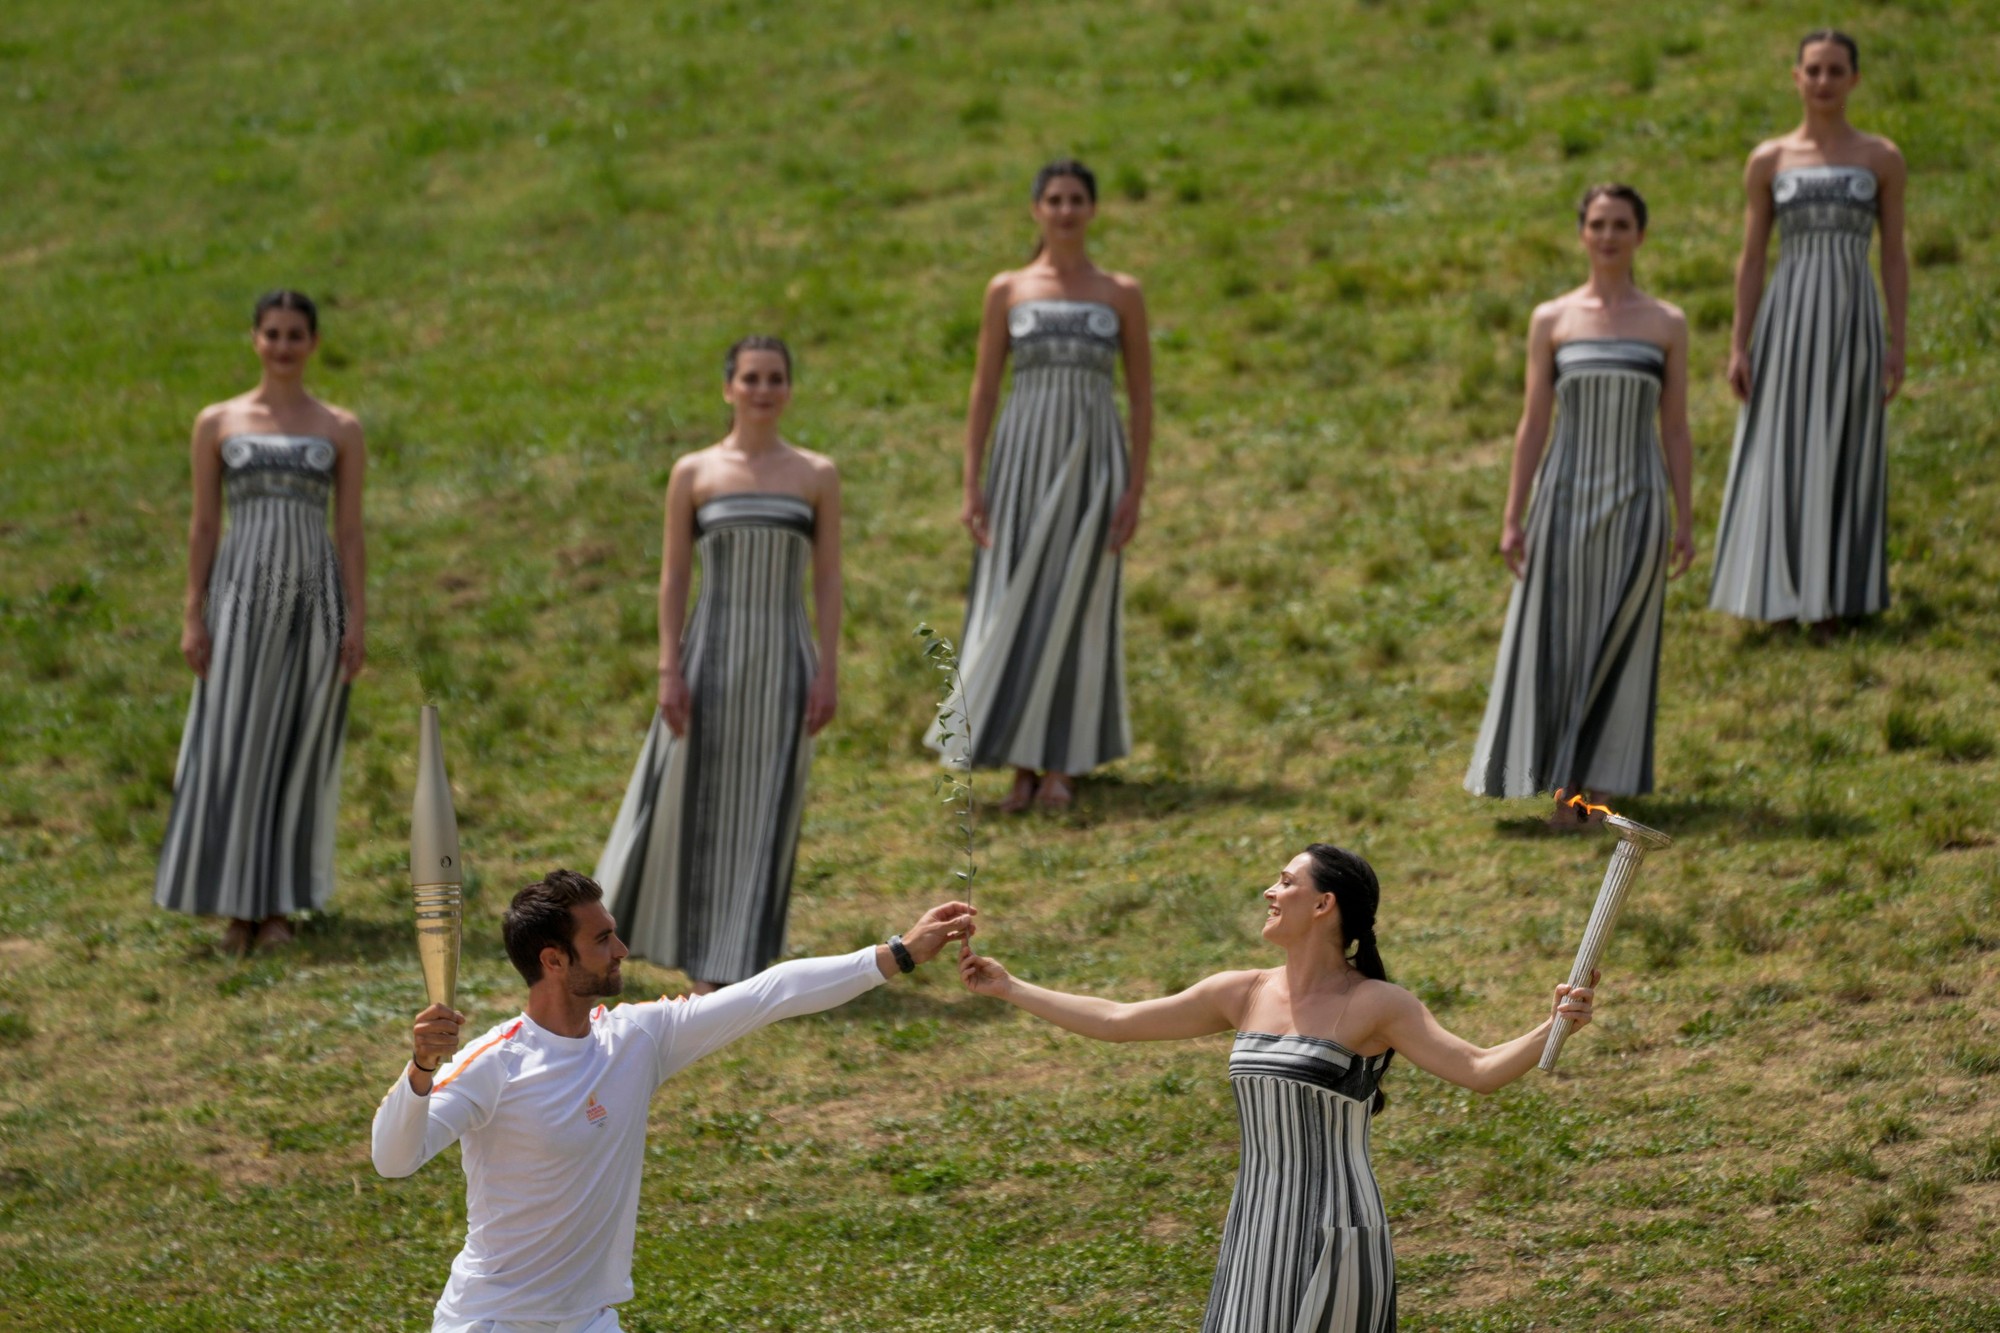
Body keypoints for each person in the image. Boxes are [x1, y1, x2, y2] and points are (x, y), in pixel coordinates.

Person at [958, 845, 1598, 1333]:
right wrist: (1011, 988)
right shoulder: (1243, 991)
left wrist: (1555, 1024)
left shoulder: (1377, 1003)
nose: (1271, 890)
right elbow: (1117, 1021)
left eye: (1287, 882)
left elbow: (1480, 1070)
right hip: (1255, 1227)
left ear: (1324, 905)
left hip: (1335, 1229)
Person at [373, 869, 976, 1333]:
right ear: (554, 961)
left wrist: (898, 954)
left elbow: (770, 993)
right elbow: (395, 1159)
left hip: (588, 1320)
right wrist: (423, 1068)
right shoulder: (493, 1064)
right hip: (494, 1322)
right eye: (603, 939)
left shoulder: (637, 1036)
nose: (622, 949)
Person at [594, 337, 839, 992]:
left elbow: (829, 580)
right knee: (693, 801)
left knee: (765, 804)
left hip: (785, 660)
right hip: (710, 656)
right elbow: (673, 576)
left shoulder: (816, 473)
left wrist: (828, 668)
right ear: (729, 387)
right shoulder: (694, 472)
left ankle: (737, 960)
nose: (763, 389)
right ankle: (682, 953)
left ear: (789, 390)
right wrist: (667, 667)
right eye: (751, 377)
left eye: (776, 378)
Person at [1465, 186, 1694, 813]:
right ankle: (1561, 784)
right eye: (1598, 223)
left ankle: (1602, 789)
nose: (1609, 235)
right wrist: (1513, 515)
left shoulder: (1666, 323)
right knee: (1557, 640)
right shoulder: (1553, 319)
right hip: (1563, 502)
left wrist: (1686, 518)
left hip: (1639, 502)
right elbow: (1533, 422)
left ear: (1641, 235)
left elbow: (1674, 426)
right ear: (1582, 233)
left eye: (1622, 224)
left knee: (1626, 638)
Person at [933, 158, 1152, 812]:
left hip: (1092, 465)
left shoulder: (1120, 292)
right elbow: (983, 388)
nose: (1064, 210)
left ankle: (1063, 763)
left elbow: (1141, 396)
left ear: (1091, 208)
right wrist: (972, 483)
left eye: (1075, 198)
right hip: (1020, 464)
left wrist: (1135, 488)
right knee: (1013, 601)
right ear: (1036, 209)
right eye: (1053, 199)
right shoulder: (1007, 288)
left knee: (1075, 603)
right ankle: (1020, 764)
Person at [154, 290, 365, 954]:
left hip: (313, 601)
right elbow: (204, 525)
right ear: (254, 340)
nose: (282, 345)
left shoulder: (339, 427)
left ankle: (276, 906)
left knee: (295, 746)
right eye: (271, 333)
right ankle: (234, 908)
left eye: (295, 334)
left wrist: (356, 615)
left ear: (313, 343)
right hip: (239, 598)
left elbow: (351, 530)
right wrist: (193, 611)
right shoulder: (217, 421)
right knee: (232, 744)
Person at [1709, 29, 1907, 630]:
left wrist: (1897, 340)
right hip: (1787, 318)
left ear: (1855, 80)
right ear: (1796, 77)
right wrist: (1739, 343)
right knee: (1781, 447)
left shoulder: (1881, 158)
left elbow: (1894, 254)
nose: (1824, 81)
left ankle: (1838, 599)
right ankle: (1778, 594)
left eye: (1836, 70)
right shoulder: (1769, 159)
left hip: (1852, 317)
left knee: (1848, 443)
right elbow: (1751, 256)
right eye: (1814, 70)